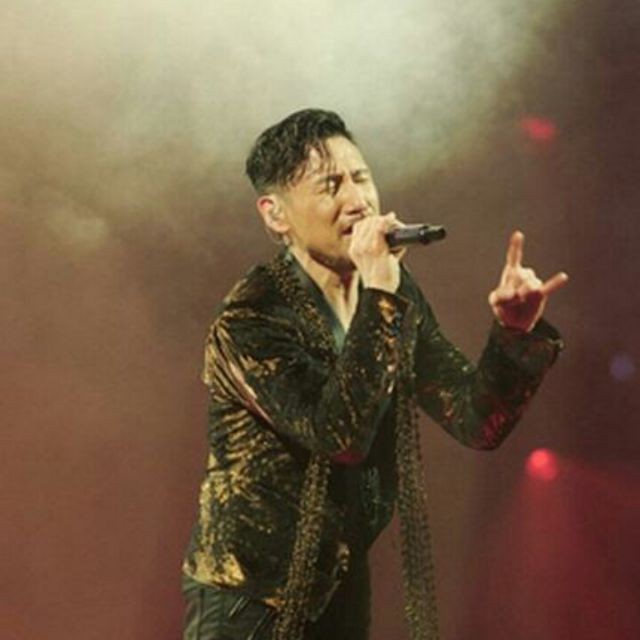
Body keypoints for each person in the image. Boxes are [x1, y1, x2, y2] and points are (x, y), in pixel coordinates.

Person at [181, 108, 568, 640]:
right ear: (276, 215)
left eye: (361, 178)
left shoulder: (388, 293)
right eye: (330, 186)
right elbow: (339, 434)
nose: (358, 200)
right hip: (249, 599)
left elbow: (476, 420)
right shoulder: (251, 319)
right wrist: (382, 292)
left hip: (339, 588)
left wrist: (514, 334)